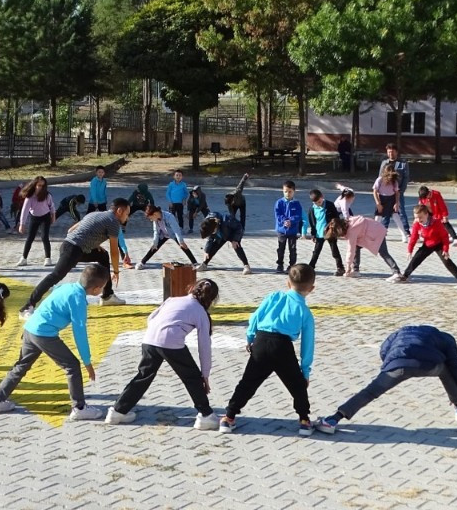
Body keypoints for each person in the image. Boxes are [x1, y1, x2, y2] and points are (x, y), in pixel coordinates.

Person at [0, 264, 111, 420]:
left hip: (30, 328)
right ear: (96, 289)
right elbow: (79, 332)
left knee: (20, 366)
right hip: (44, 334)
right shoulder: (78, 299)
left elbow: (54, 292)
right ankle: (79, 408)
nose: (102, 291)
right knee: (72, 365)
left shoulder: (68, 287)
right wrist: (87, 362)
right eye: (103, 288)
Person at [106, 278, 220, 430]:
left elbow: (151, 318)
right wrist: (205, 374)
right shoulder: (200, 312)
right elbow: (204, 346)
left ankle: (117, 412)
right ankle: (206, 416)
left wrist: (156, 335)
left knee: (143, 376)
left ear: (191, 288)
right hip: (171, 343)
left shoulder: (172, 300)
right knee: (192, 377)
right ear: (211, 299)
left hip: (149, 339)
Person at [314, 325, 457, 434]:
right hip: (430, 364)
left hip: (397, 365)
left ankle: (333, 420)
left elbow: (384, 351)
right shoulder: (446, 338)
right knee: (446, 371)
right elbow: (456, 366)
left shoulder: (398, 334)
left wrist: (388, 368)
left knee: (370, 391)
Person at [219, 264, 318, 436]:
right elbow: (308, 344)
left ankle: (228, 417)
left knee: (248, 382)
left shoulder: (273, 296)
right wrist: (305, 372)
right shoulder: (305, 312)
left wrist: (250, 338)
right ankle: (304, 420)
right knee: (297, 386)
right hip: (283, 347)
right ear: (312, 289)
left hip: (261, 342)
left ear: (288, 283)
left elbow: (255, 317)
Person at [21, 199, 131, 316]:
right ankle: (27, 307)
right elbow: (114, 251)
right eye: (127, 214)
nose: (127, 218)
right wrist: (116, 271)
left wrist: (94, 243)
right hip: (73, 250)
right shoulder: (113, 221)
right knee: (55, 276)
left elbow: (71, 230)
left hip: (73, 247)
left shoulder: (95, 214)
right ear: (119, 211)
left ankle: (107, 296)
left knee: (103, 255)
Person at [395, 205, 457, 284]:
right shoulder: (417, 224)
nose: (418, 220)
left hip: (439, 244)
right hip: (427, 244)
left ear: (427, 214)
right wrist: (409, 250)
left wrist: (445, 249)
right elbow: (413, 238)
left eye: (420, 217)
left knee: (447, 261)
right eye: (416, 217)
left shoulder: (436, 222)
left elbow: (445, 237)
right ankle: (405, 276)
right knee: (416, 259)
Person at [329, 215, 401, 278]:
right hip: (374, 229)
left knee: (384, 253)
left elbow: (350, 250)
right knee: (356, 247)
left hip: (377, 233)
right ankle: (355, 270)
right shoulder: (349, 221)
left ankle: (396, 272)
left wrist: (347, 267)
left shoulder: (351, 231)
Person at [303, 189, 344, 275]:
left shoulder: (330, 205)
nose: (319, 204)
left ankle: (340, 267)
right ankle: (311, 267)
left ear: (322, 197)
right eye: (316, 203)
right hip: (319, 233)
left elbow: (336, 217)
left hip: (330, 232)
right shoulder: (312, 209)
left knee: (334, 250)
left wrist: (336, 229)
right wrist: (313, 234)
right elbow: (312, 223)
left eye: (319, 201)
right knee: (316, 251)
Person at [17, 176, 55, 267]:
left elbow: (52, 206)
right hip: (34, 218)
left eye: (43, 186)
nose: (40, 187)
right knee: (30, 238)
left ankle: (48, 258)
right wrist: (22, 224)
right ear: (34, 185)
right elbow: (25, 211)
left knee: (44, 237)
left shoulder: (47, 195)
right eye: (39, 185)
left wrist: (53, 216)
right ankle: (24, 258)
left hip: (45, 217)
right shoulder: (29, 197)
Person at [379, 144, 410, 241]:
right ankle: (383, 230)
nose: (390, 154)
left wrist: (401, 190)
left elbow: (406, 178)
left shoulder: (403, 163)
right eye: (388, 152)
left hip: (397, 191)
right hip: (386, 193)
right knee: (385, 212)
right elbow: (380, 176)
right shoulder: (384, 163)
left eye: (392, 152)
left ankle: (406, 231)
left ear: (396, 152)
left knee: (401, 211)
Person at [274, 180, 303, 275]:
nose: (287, 193)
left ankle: (292, 265)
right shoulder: (279, 203)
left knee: (293, 249)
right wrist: (284, 221)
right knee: (281, 248)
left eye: (290, 191)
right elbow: (278, 214)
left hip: (292, 230)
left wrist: (291, 221)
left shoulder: (296, 203)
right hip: (281, 230)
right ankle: (280, 264)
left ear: (294, 191)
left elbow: (298, 215)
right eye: (285, 191)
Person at [372, 167, 401, 235]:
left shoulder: (394, 181)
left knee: (396, 217)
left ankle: (404, 235)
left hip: (391, 199)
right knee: (378, 217)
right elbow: (375, 191)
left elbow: (397, 193)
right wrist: (378, 203)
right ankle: (373, 233)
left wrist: (397, 203)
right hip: (381, 199)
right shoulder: (380, 180)